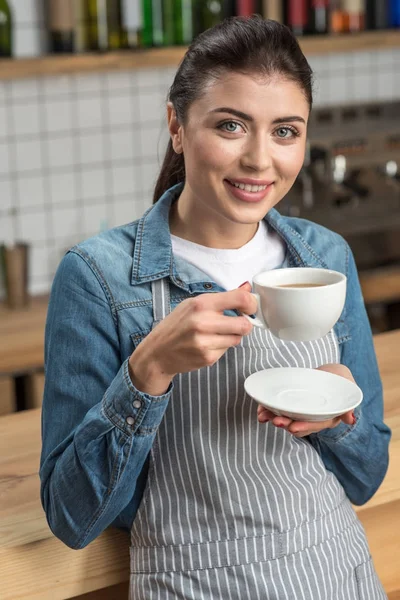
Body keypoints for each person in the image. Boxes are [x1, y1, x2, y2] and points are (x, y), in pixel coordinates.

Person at [40, 15, 391, 599]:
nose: (259, 160)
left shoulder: (326, 257)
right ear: (176, 125)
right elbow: (73, 518)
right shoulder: (98, 278)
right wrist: (146, 373)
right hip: (191, 585)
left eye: (285, 131)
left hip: (332, 571)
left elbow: (366, 476)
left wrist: (338, 421)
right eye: (231, 125)